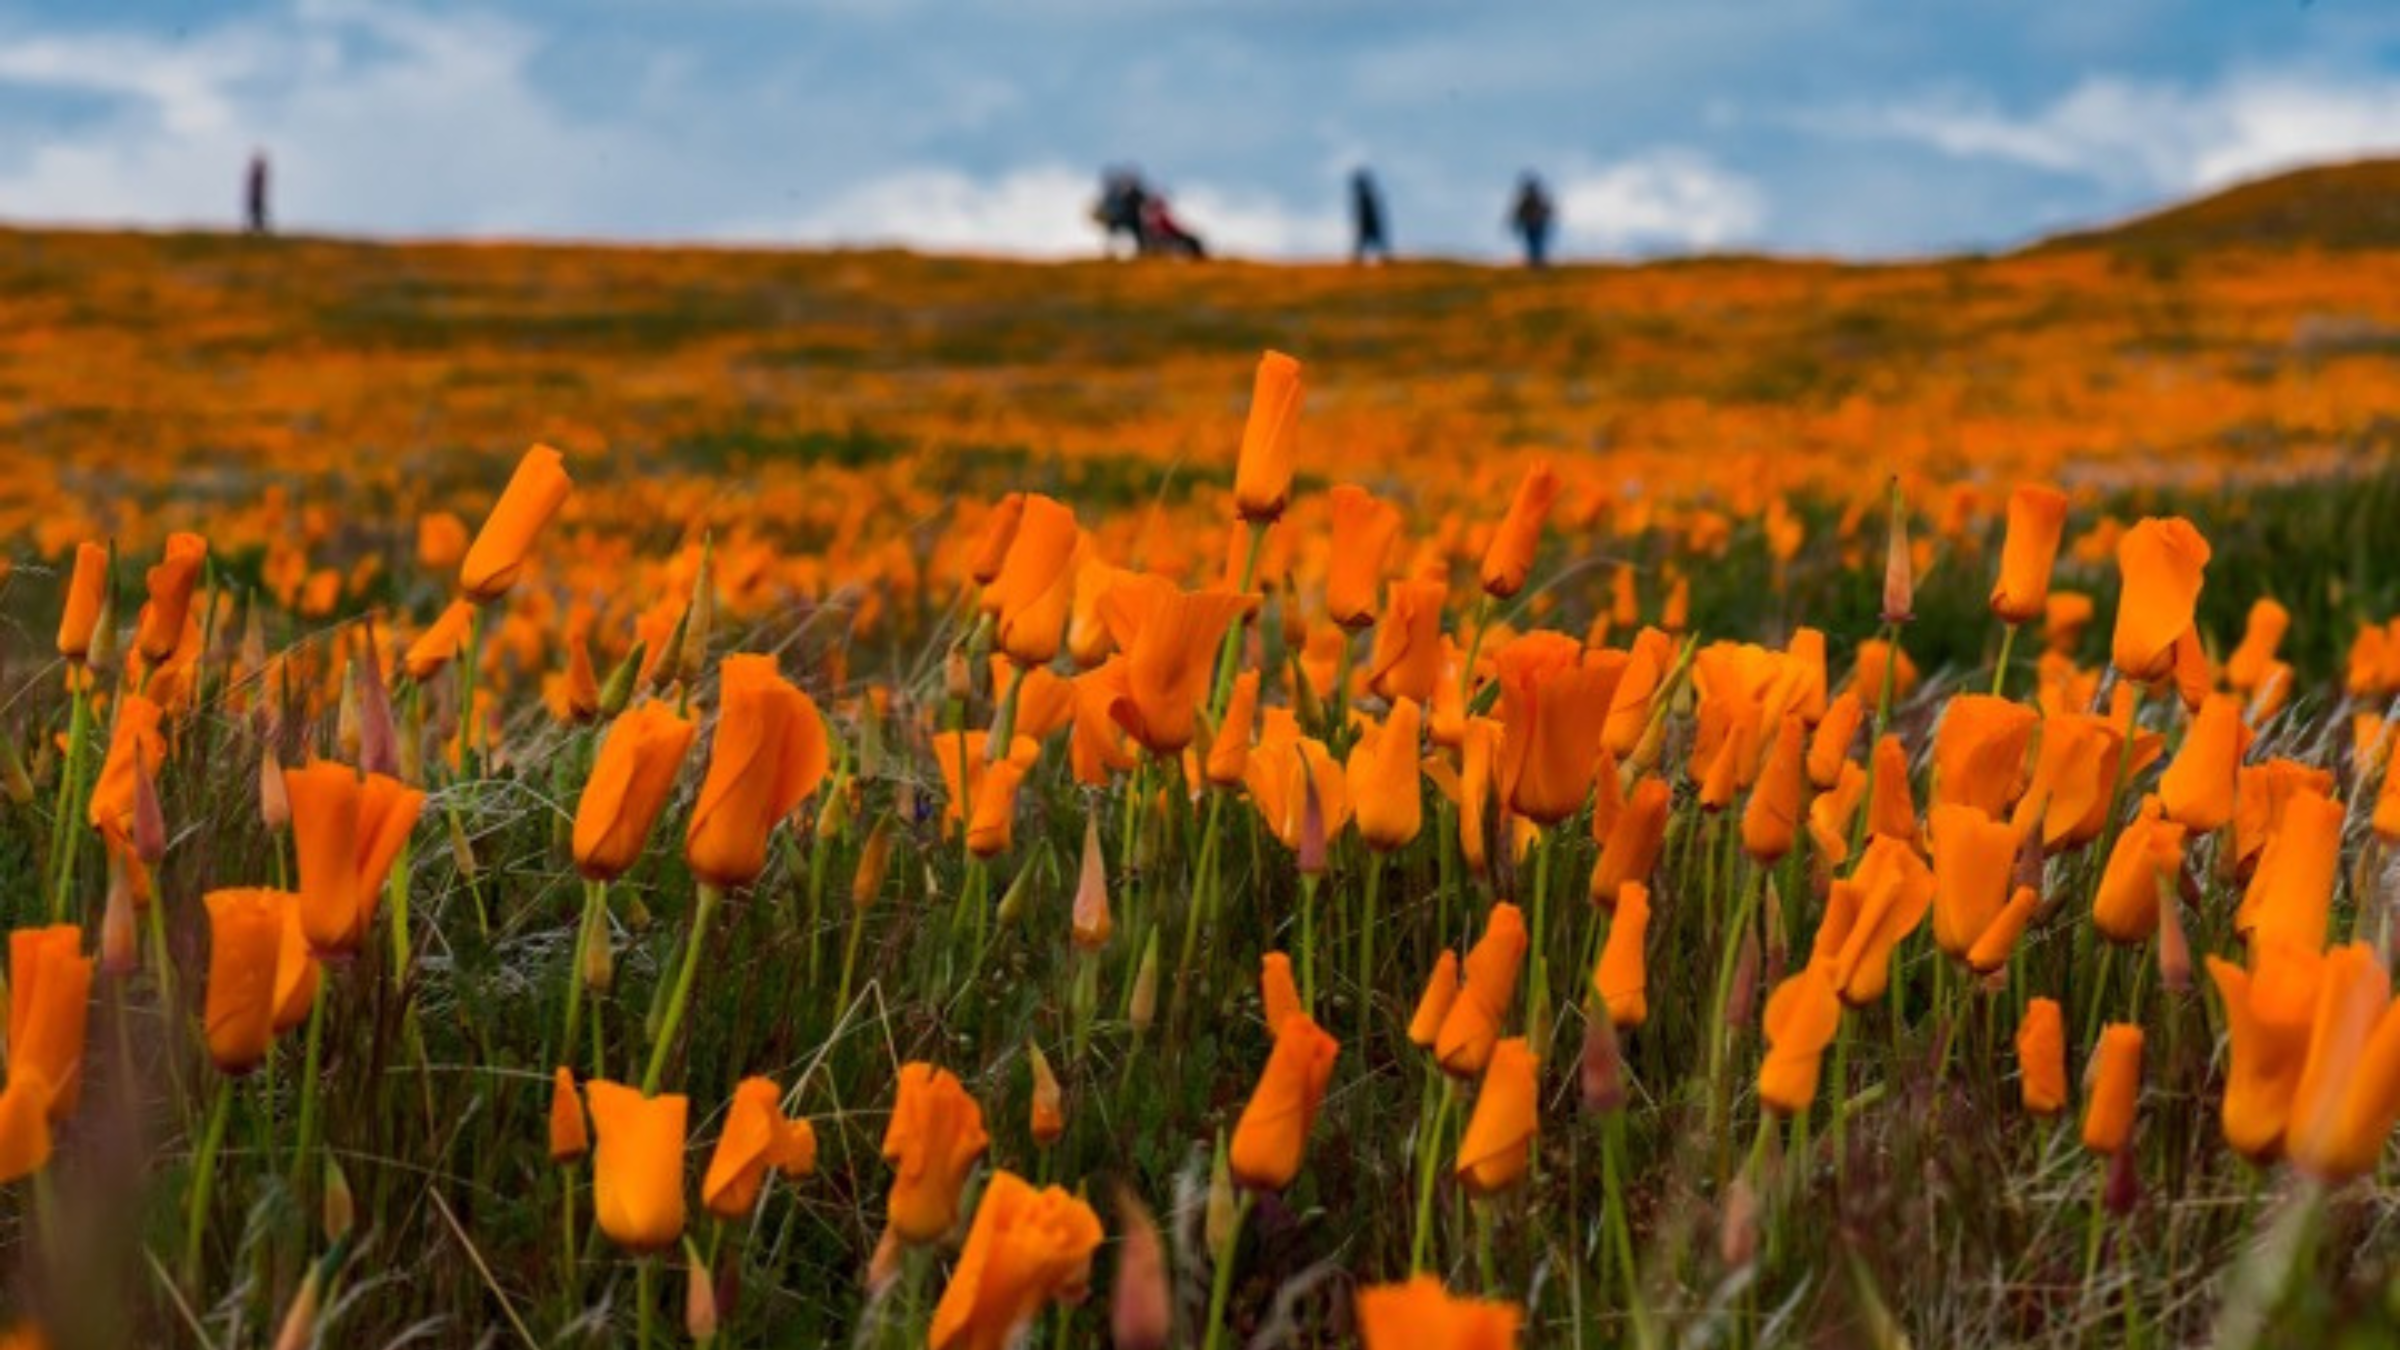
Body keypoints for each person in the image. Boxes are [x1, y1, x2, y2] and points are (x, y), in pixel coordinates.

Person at [1509, 172, 1554, 268]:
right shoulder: (1536, 199)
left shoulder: (1533, 199)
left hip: (1536, 226)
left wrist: (1516, 224)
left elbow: (1548, 211)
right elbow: (1519, 214)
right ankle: (1536, 263)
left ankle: (1537, 263)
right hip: (1534, 226)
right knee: (1535, 244)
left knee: (1535, 244)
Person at [1350, 168, 1389, 264]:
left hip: (1369, 225)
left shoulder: (1365, 197)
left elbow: (1365, 213)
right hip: (1369, 225)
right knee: (1364, 249)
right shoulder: (1366, 196)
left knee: (1365, 248)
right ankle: (1386, 263)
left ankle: (1386, 263)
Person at [245, 151, 271, 235]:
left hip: (257, 198)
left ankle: (258, 230)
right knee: (256, 216)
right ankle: (257, 230)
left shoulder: (258, 175)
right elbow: (255, 188)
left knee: (257, 216)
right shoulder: (258, 174)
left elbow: (257, 188)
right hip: (256, 198)